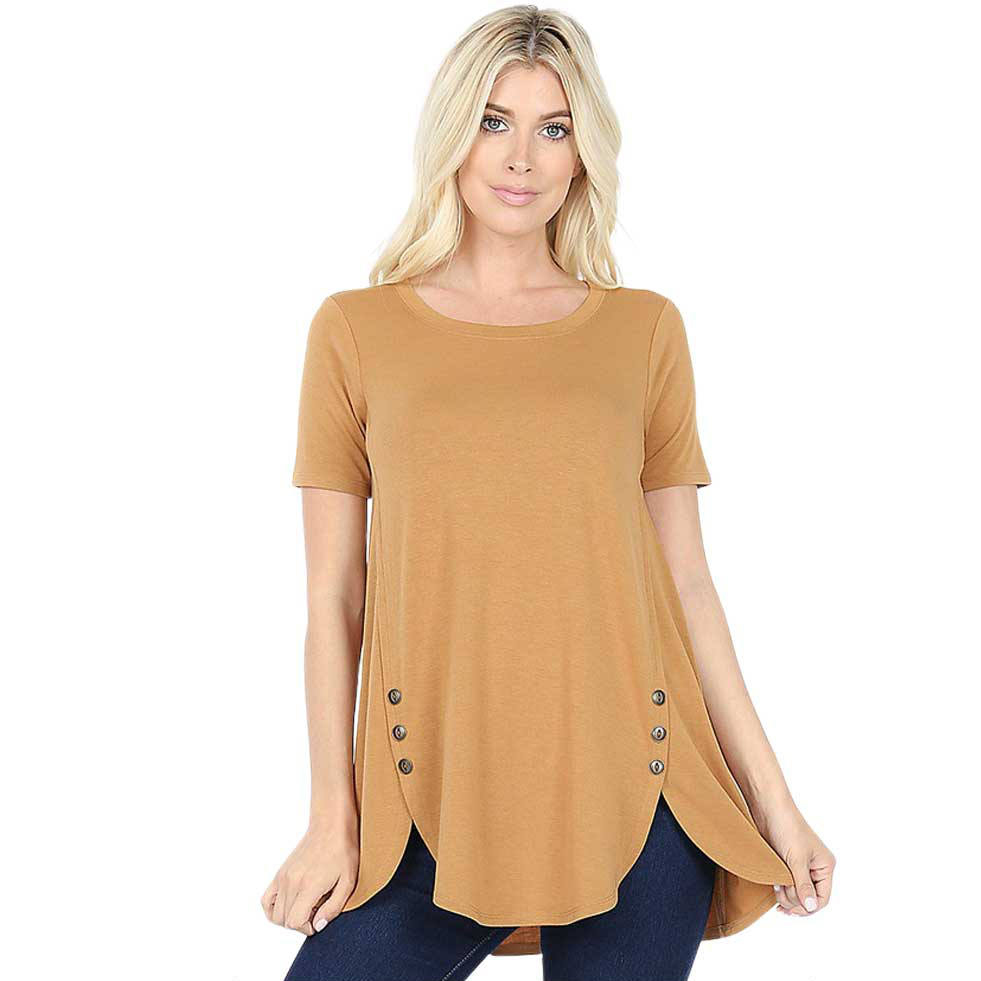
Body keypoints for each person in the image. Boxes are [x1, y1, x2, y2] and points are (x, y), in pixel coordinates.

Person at [261, 6, 835, 980]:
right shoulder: (356, 331)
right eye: (494, 121)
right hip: (430, 791)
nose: (520, 156)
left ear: (582, 154)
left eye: (553, 128)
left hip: (640, 790)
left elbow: (688, 584)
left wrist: (779, 806)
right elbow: (333, 594)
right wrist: (331, 815)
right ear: (451, 132)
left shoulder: (642, 331)